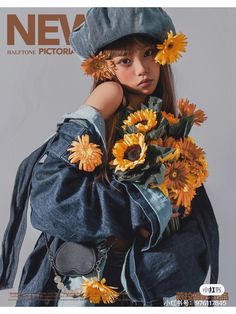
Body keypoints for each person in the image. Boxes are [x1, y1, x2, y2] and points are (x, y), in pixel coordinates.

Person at [0, 8, 219, 307]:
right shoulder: (98, 118)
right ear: (104, 69)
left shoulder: (169, 132)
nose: (143, 69)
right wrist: (98, 103)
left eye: (150, 53)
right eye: (125, 61)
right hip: (82, 284)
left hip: (138, 287)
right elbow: (48, 201)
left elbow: (190, 227)